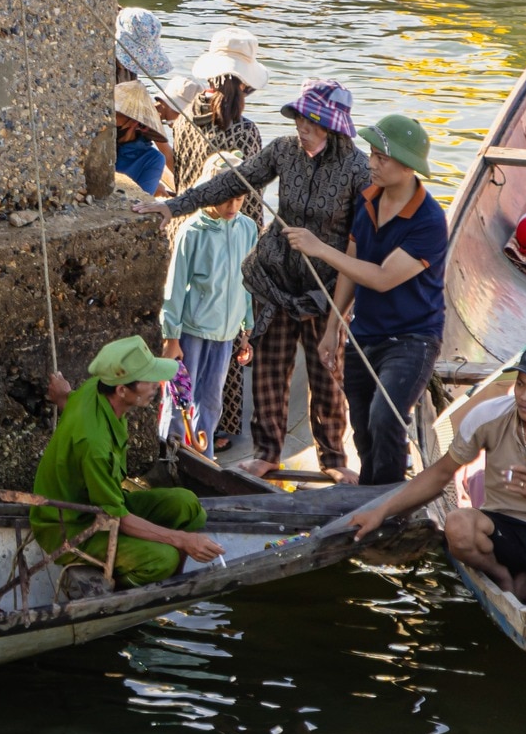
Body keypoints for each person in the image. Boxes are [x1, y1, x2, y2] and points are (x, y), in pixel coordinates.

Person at [143, 79, 371, 482]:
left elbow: (363, 241)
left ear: (332, 127)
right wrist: (174, 206)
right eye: (300, 117)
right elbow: (234, 180)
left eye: (312, 121)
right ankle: (267, 452)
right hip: (277, 277)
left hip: (326, 285)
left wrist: (342, 312)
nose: (302, 125)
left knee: (326, 372)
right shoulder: (284, 150)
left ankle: (334, 459)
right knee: (269, 368)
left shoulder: (356, 168)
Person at [348, 343, 526, 629]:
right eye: (521, 385)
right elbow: (440, 474)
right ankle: (502, 576)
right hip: (501, 529)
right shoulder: (489, 416)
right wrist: (381, 512)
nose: (525, 396)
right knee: (457, 524)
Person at [283, 114, 447, 486]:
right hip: (366, 331)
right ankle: (372, 494)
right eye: (371, 155)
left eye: (381, 159)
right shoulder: (367, 199)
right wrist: (333, 326)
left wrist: (320, 248)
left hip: (412, 336)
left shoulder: (429, 220)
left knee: (385, 415)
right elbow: (353, 265)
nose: (371, 164)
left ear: (407, 168)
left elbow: (382, 278)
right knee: (362, 425)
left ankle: (388, 500)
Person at [30, 338, 222, 588]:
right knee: (164, 559)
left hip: (101, 505)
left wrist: (62, 394)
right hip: (71, 527)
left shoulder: (96, 387)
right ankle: (105, 588)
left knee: (187, 504)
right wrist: (182, 540)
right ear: (122, 390)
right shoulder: (94, 444)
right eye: (149, 380)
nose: (157, 385)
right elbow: (117, 517)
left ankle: (170, 580)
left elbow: (70, 400)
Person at [158, 153, 254, 452]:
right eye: (225, 198)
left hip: (225, 335)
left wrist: (247, 329)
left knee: (211, 399)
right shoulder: (193, 232)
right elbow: (174, 288)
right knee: (180, 398)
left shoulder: (247, 228)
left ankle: (204, 450)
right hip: (191, 330)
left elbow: (248, 282)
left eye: (239, 199)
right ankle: (170, 450)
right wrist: (171, 338)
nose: (232, 206)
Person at [169, 27, 264, 193]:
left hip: (183, 215)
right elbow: (250, 197)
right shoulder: (245, 131)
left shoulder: (183, 118)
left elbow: (179, 177)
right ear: (245, 84)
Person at [112, 79, 169, 195]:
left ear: (133, 122)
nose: (109, 118)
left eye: (115, 114)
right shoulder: (99, 141)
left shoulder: (152, 159)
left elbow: (141, 199)